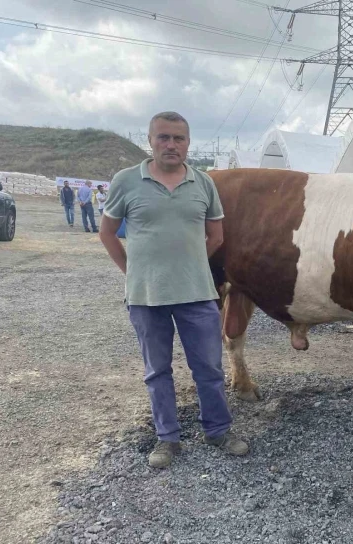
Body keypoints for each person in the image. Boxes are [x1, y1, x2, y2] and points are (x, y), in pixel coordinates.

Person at [99, 111, 249, 469]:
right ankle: (167, 439)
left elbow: (216, 236)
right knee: (157, 371)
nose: (171, 144)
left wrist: (192, 263)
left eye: (178, 138)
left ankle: (218, 430)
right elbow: (107, 233)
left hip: (197, 295)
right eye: (163, 137)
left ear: (188, 143)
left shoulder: (203, 183)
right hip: (146, 298)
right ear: (150, 141)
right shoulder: (126, 181)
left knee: (209, 369)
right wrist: (133, 271)